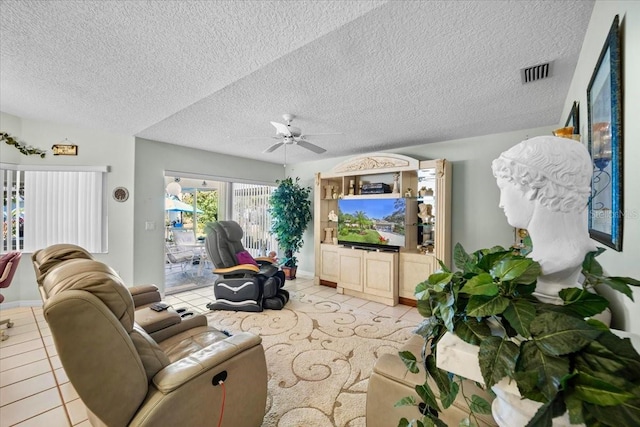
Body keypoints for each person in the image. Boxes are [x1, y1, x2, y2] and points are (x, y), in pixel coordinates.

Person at [492, 135, 597, 303]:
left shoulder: (560, 260)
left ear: (533, 187)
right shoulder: (552, 255)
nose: (501, 203)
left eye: (503, 188)